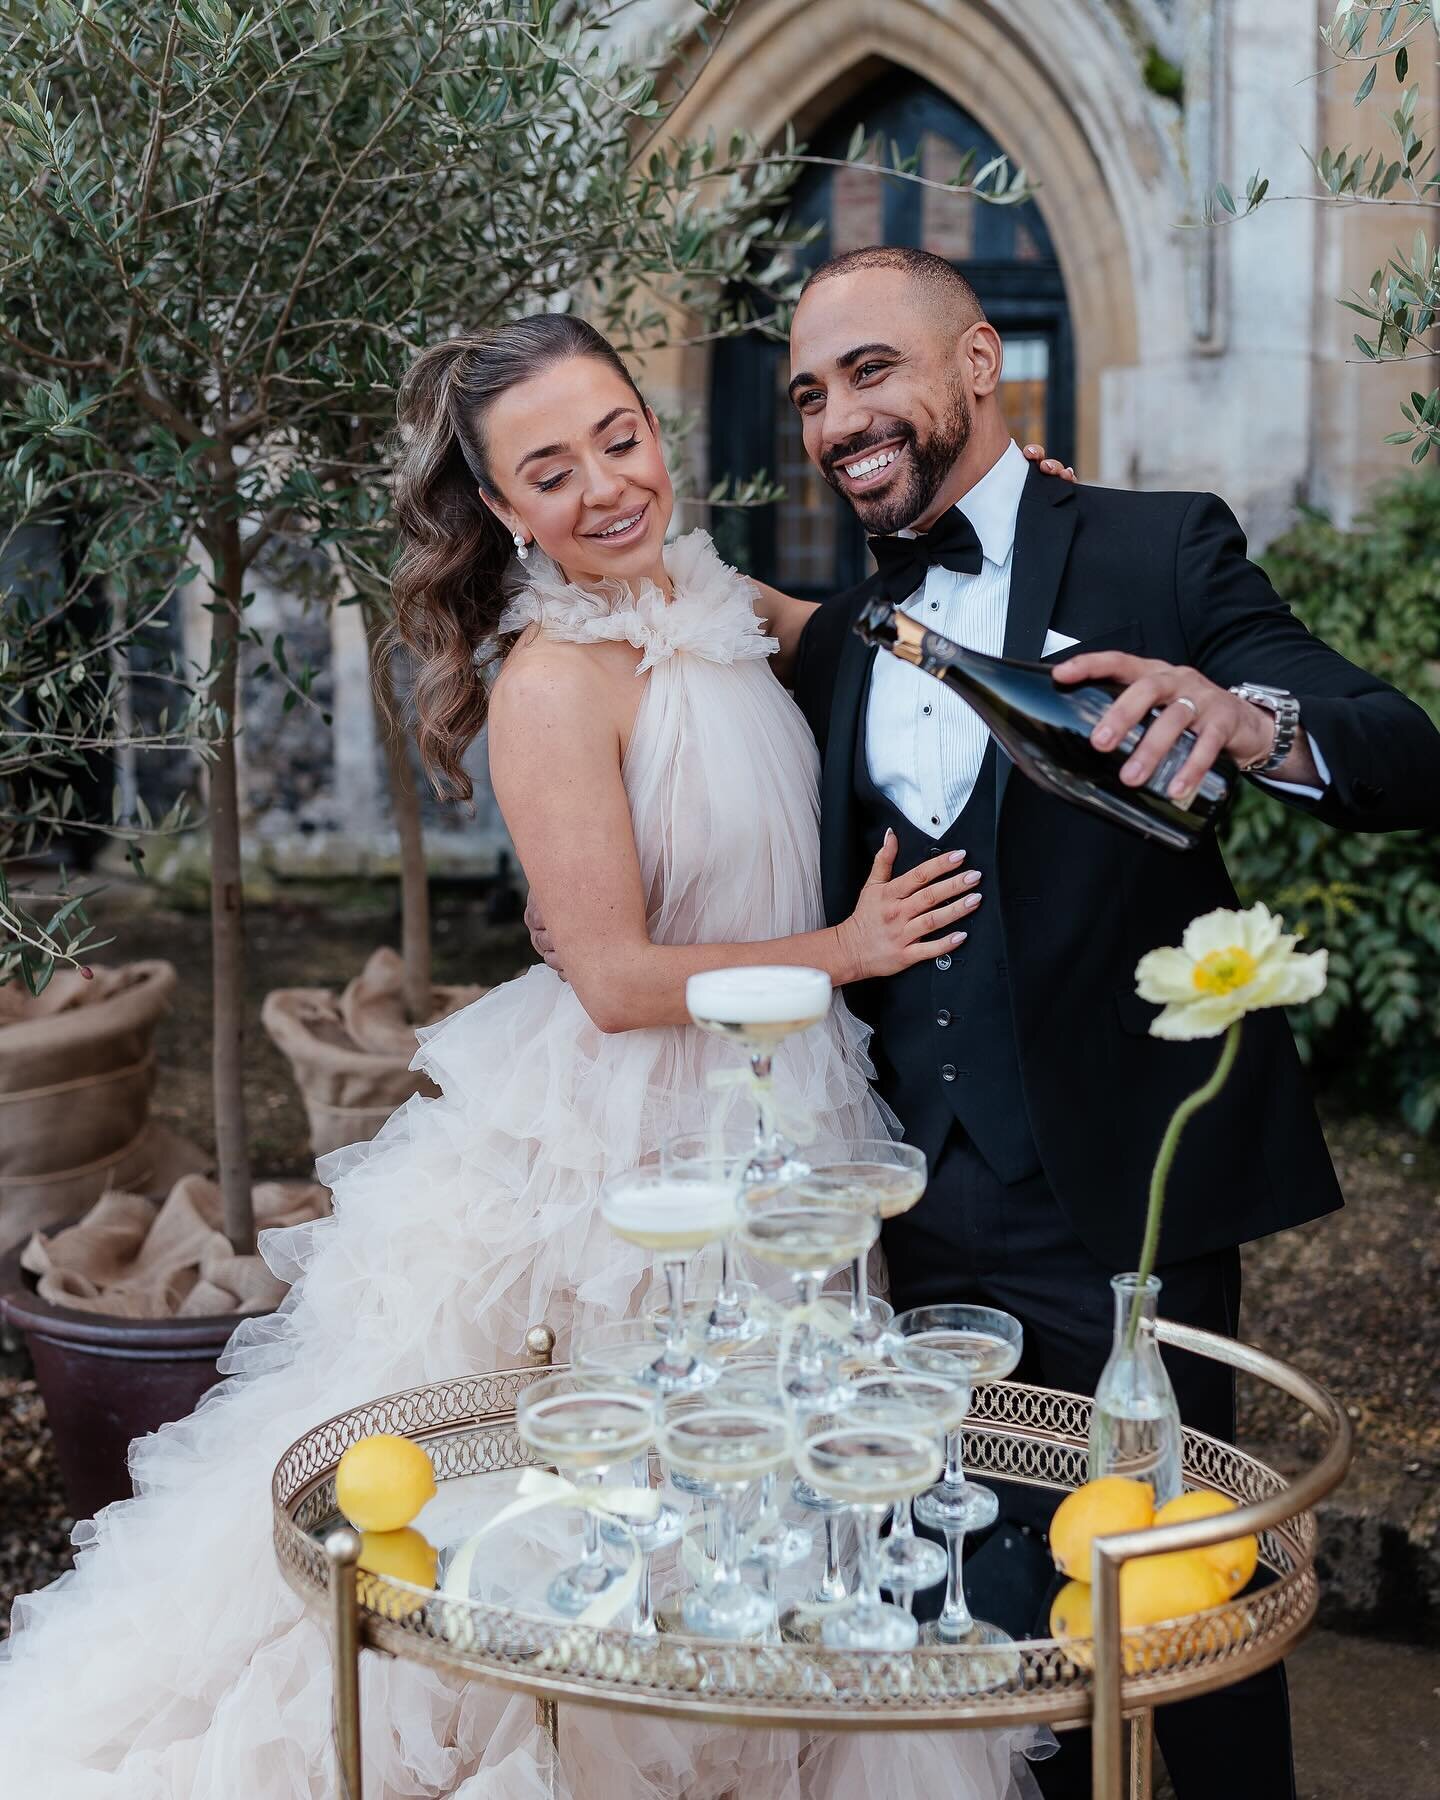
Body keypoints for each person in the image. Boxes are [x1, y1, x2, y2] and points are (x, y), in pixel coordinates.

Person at [0, 313, 1047, 1799]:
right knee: (604, 1524)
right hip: (638, 1151)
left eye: (620, 438)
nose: (607, 487)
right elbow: (612, 980)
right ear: (500, 511)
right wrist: (844, 951)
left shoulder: (705, 591)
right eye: (550, 473)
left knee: (769, 1506)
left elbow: (876, 647)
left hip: (784, 1117)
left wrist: (1008, 517)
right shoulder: (553, 683)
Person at [777, 245, 1440, 1799]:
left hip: (1124, 1207)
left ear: (977, 363)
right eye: (809, 392)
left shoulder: (1156, 550)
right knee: (955, 1610)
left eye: (873, 368)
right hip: (900, 1213)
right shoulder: (833, 637)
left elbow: (1404, 750)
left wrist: (1242, 720)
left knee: (1168, 1610)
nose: (836, 416)